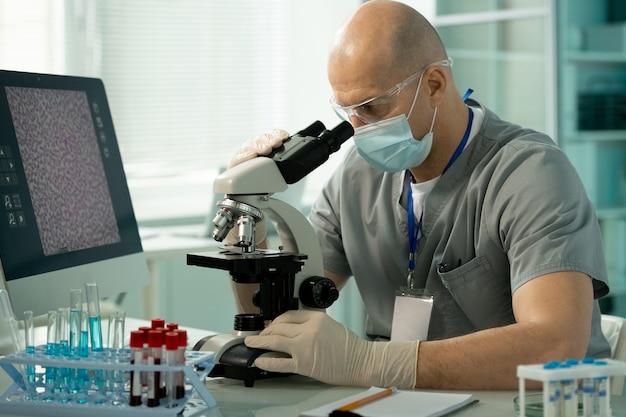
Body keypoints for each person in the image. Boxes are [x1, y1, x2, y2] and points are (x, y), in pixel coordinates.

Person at [226, 0, 611, 390]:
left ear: (434, 85)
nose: (358, 130)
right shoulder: (356, 177)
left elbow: (556, 346)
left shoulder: (530, 173)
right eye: (348, 112)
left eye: (372, 107)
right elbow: (278, 318)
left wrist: (366, 361)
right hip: (406, 402)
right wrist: (246, 214)